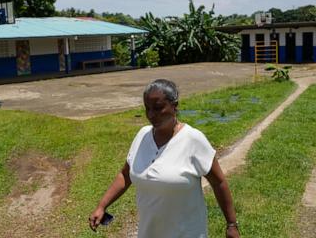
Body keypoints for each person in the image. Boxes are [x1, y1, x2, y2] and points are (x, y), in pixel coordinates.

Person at [89, 79, 240, 238]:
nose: (151, 115)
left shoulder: (193, 139)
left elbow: (219, 182)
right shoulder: (142, 136)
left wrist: (231, 224)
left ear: (174, 106)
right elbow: (125, 175)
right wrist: (102, 206)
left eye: (158, 108)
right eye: (147, 108)